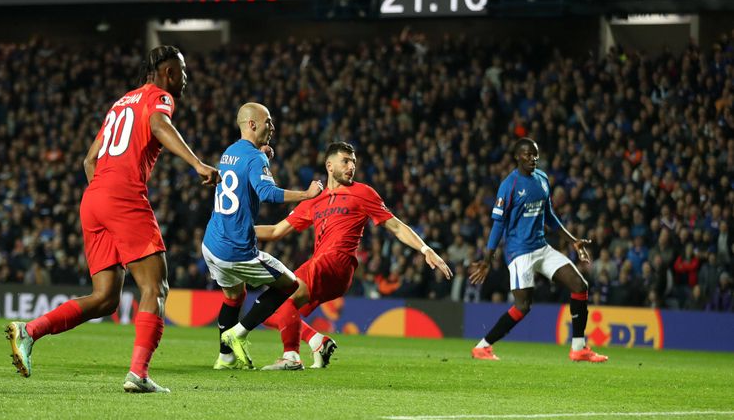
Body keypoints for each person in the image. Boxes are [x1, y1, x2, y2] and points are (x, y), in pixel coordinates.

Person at [5, 46, 219, 392]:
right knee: (155, 287)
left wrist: (104, 197)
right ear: (167, 72)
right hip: (122, 197)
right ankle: (139, 374)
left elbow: (89, 160)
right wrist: (197, 164)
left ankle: (29, 331)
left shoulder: (121, 103)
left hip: (94, 199)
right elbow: (159, 125)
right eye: (182, 70)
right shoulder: (160, 97)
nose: (186, 78)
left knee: (105, 298)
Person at [254, 141, 453, 370]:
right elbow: (276, 231)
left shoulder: (363, 192)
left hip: (337, 262)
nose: (351, 167)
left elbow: (396, 226)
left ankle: (291, 357)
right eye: (346, 161)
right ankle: (318, 341)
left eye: (354, 162)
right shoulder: (313, 200)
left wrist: (425, 249)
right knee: (268, 312)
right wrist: (239, 230)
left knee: (282, 299)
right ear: (329, 166)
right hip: (324, 267)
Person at [202, 102, 323, 370]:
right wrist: (306, 194)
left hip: (212, 244)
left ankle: (226, 357)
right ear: (253, 125)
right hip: (237, 250)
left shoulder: (230, 152)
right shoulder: (256, 158)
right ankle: (238, 333)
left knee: (233, 296)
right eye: (268, 121)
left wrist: (261, 154)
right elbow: (267, 193)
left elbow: (244, 173)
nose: (273, 126)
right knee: (290, 284)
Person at [469, 137, 607, 363]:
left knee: (580, 285)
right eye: (527, 154)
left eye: (535, 154)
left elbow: (549, 216)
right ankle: (483, 347)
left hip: (541, 247)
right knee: (523, 306)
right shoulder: (509, 186)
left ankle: (579, 348)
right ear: (517, 156)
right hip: (519, 252)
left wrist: (573, 241)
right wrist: (487, 259)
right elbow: (498, 224)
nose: (532, 158)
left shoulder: (542, 179)